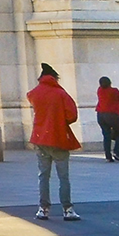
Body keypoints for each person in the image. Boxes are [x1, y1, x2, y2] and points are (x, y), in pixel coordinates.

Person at [28, 63, 81, 221]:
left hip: (40, 137)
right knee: (63, 175)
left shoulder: (34, 93)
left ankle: (43, 208)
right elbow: (72, 115)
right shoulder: (60, 93)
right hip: (58, 137)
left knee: (43, 175)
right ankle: (67, 208)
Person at [95, 76, 119, 162]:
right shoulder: (114, 91)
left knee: (106, 135)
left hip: (100, 114)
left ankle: (108, 156)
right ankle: (117, 152)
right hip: (112, 114)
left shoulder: (99, 90)